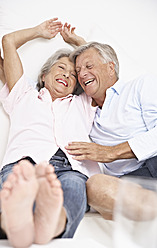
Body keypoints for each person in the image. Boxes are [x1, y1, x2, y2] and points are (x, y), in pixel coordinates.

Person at [0, 18, 101, 247]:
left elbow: (98, 71)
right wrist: (38, 31)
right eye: (61, 68)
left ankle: (50, 224)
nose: (67, 76)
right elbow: (8, 42)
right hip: (24, 163)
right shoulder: (23, 94)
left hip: (69, 167)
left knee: (73, 186)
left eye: (73, 75)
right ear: (43, 76)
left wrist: (79, 43)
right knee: (17, 183)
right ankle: (17, 226)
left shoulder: (81, 103)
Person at [64, 41, 157, 220]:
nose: (82, 74)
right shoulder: (81, 108)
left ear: (111, 68)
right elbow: (33, 88)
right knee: (95, 187)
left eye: (88, 66)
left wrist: (111, 152)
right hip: (128, 183)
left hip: (154, 162)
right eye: (78, 71)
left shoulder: (139, 85)